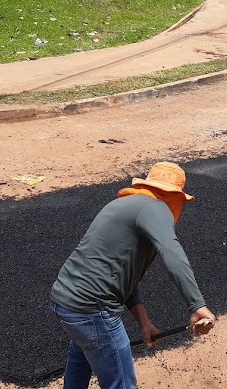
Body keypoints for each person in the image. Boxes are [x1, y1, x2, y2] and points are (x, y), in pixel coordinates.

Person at [49, 162, 215, 389]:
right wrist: (197, 305)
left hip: (65, 300)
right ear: (174, 196)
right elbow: (171, 251)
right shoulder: (156, 208)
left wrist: (144, 322)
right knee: (121, 384)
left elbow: (121, 274)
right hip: (92, 308)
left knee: (81, 358)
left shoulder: (121, 205)